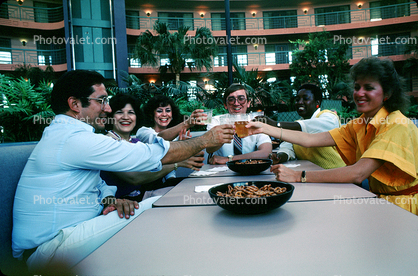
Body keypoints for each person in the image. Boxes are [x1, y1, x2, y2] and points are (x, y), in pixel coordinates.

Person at [12, 70, 234, 272]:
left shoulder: (67, 135)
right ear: (75, 104)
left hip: (68, 236)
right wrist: (206, 140)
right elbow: (148, 156)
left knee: (161, 205)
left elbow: (95, 184)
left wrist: (109, 200)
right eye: (101, 101)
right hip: (47, 250)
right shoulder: (72, 138)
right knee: (159, 206)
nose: (107, 108)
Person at [246, 57, 418, 215]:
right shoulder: (359, 123)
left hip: (403, 206)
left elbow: (358, 173)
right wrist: (265, 128)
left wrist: (299, 176)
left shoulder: (396, 124)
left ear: (387, 94)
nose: (359, 93)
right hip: (377, 200)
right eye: (357, 87)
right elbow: (310, 139)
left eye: (369, 88)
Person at [101, 93, 204, 201]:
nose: (126, 117)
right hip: (123, 203)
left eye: (131, 112)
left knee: (194, 187)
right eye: (119, 112)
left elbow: (153, 166)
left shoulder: (136, 142)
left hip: (143, 195)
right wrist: (178, 162)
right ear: (111, 117)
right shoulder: (108, 142)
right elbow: (135, 177)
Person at [261, 83, 346, 169]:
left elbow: (311, 126)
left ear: (317, 103)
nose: (300, 102)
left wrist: (275, 124)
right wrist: (280, 156)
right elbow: (287, 146)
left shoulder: (329, 117)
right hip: (312, 177)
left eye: (305, 99)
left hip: (338, 175)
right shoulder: (297, 124)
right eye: (297, 99)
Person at [206, 83, 272, 164]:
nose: (236, 103)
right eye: (231, 99)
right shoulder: (216, 121)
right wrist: (224, 136)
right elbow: (209, 149)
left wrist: (229, 159)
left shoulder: (256, 121)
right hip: (221, 170)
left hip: (249, 168)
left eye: (241, 99)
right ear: (225, 105)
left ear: (248, 103)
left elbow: (266, 152)